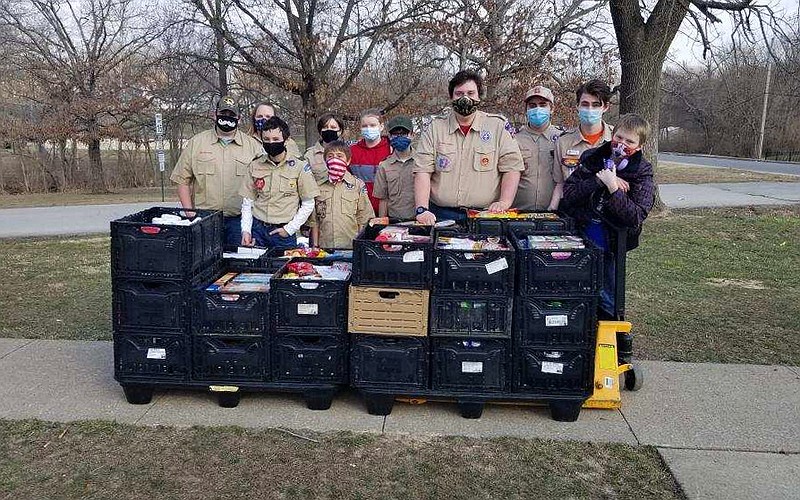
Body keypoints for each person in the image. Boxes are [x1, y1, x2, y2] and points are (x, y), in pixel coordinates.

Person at [560, 113, 655, 320]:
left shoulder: (642, 172)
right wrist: (598, 181)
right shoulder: (592, 158)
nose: (622, 144)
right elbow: (569, 194)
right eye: (619, 138)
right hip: (581, 235)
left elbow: (636, 215)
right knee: (577, 288)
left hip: (612, 243)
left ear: (639, 146)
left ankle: (610, 337)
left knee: (607, 294)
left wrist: (614, 188)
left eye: (630, 141)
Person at [413, 70, 524, 225]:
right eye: (459, 93)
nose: (465, 98)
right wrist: (422, 209)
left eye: (471, 93)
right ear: (451, 97)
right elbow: (423, 171)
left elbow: (512, 167)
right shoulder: (434, 128)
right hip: (440, 214)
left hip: (485, 215)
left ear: (479, 96)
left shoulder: (497, 126)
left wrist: (504, 202)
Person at [170, 95, 262, 246]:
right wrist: (191, 215)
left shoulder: (253, 147)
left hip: (239, 222)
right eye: (223, 114)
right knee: (205, 266)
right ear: (215, 114)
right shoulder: (197, 143)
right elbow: (182, 180)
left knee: (236, 266)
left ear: (238, 117)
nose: (227, 118)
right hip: (205, 220)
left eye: (231, 115)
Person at [239, 117, 319, 249]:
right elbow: (247, 202)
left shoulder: (299, 167)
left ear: (286, 140)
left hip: (283, 233)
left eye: (276, 139)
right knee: (256, 269)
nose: (271, 143)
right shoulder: (255, 165)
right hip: (257, 230)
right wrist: (246, 230)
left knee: (285, 269)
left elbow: (308, 203)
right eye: (267, 140)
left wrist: (289, 229)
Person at [308, 140, 375, 249]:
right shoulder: (318, 186)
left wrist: (360, 246)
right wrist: (315, 245)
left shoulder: (357, 185)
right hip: (325, 247)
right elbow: (314, 221)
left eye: (340, 156)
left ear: (348, 161)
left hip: (350, 247)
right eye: (330, 156)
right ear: (325, 160)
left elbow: (363, 219)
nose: (335, 159)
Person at [513, 86, 564, 211]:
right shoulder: (513, 138)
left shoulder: (563, 138)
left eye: (542, 105)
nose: (537, 109)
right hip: (518, 212)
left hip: (555, 213)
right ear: (526, 109)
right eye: (532, 105)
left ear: (552, 109)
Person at [554, 79, 614, 182]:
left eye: (596, 105)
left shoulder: (618, 138)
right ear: (577, 106)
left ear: (605, 107)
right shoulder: (563, 142)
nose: (590, 109)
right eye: (585, 104)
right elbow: (559, 184)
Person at [373, 115, 416, 220]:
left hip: (419, 221)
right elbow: (383, 199)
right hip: (393, 221)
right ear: (389, 136)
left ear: (412, 135)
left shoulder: (422, 162)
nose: (399, 137)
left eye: (404, 134)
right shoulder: (384, 165)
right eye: (395, 134)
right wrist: (381, 224)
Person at [349, 108, 391, 214]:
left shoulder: (391, 149)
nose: (368, 129)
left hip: (387, 211)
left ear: (381, 126)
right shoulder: (352, 151)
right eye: (364, 126)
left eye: (372, 125)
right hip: (360, 211)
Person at [304, 113, 346, 182]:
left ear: (340, 131)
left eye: (333, 127)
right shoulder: (309, 155)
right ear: (320, 131)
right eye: (325, 127)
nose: (329, 130)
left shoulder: (347, 153)